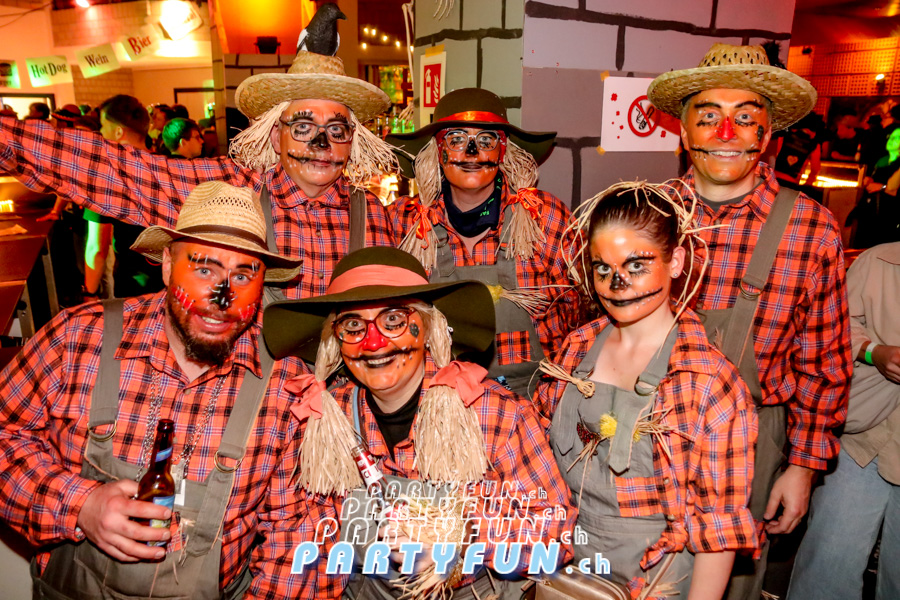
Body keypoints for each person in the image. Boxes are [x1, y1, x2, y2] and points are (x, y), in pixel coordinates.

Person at [0, 181, 339, 599]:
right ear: (166, 266)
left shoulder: (287, 389)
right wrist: (79, 504)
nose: (222, 298)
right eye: (204, 269)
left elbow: (297, 535)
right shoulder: (78, 337)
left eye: (242, 275)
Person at [0, 12, 397, 305]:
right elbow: (114, 169)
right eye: (304, 126)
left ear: (352, 140)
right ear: (276, 136)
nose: (322, 144)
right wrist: (6, 139)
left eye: (337, 130)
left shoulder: (376, 218)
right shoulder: (226, 192)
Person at [647, 43, 852, 600]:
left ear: (767, 135)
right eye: (708, 116)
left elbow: (824, 364)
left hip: (754, 448)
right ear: (683, 130)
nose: (725, 132)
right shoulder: (644, 214)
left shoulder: (811, 230)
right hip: (647, 431)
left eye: (744, 118)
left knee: (732, 590)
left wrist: (803, 467)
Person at [263, 246, 576, 599]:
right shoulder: (322, 425)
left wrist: (464, 534)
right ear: (336, 340)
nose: (374, 343)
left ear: (428, 327)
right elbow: (298, 540)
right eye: (353, 325)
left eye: (394, 320)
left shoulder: (497, 415)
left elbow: (556, 535)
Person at [535, 182, 758, 599]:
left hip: (654, 576)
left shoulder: (707, 381)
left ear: (676, 262)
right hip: (565, 562)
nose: (616, 284)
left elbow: (718, 529)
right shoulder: (577, 347)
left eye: (636, 265)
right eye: (602, 268)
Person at [386, 88, 574, 396]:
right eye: (456, 139)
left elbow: (577, 314)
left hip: (533, 405)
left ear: (503, 151)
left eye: (485, 140)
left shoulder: (544, 217)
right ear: (437, 150)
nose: (471, 152)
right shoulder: (404, 223)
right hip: (437, 402)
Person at [787, 242, 900, 600]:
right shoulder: (878, 261)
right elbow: (832, 326)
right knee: (826, 569)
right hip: (861, 437)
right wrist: (872, 352)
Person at [84, 94, 163, 301]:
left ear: (118, 132)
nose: (100, 134)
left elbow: (96, 248)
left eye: (102, 126)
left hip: (134, 287)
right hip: (176, 283)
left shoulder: (106, 179)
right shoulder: (170, 167)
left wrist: (89, 293)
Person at [849, 127, 900, 248]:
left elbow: (892, 188)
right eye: (891, 137)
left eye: (897, 138)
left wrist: (882, 187)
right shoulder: (882, 160)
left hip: (889, 213)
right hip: (871, 209)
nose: (891, 140)